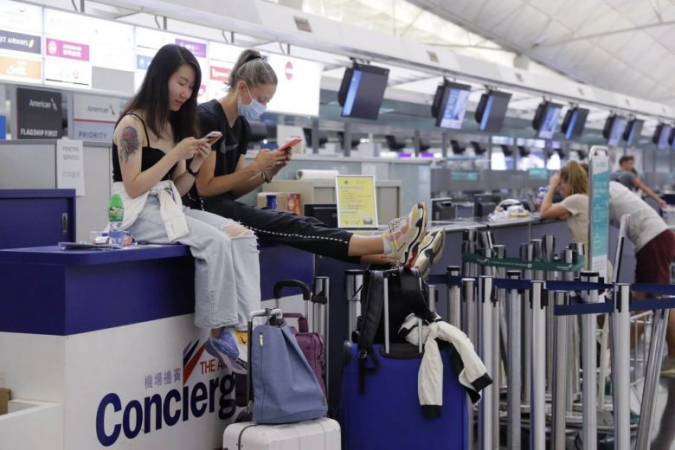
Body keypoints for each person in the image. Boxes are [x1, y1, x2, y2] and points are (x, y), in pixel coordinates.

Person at [188, 48, 443, 277]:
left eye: (267, 100)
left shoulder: (241, 125)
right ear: (241, 87)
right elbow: (206, 189)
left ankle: (392, 257)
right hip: (203, 209)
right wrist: (256, 167)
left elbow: (234, 189)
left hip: (223, 204)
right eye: (262, 99)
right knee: (293, 225)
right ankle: (388, 243)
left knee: (306, 224)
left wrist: (269, 171)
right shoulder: (209, 118)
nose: (263, 106)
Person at [111, 44, 258, 374]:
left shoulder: (174, 126)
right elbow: (134, 185)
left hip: (168, 205)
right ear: (161, 77)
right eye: (181, 82)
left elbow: (179, 188)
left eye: (191, 87)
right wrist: (175, 155)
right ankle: (219, 331)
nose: (185, 92)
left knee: (243, 237)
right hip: (133, 213)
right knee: (216, 242)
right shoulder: (131, 126)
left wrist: (193, 165)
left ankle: (246, 331)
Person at [607, 180, 675, 375]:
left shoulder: (602, 192)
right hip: (654, 240)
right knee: (643, 302)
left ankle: (673, 358)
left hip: (652, 242)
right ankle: (617, 359)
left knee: (658, 301)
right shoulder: (613, 187)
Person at [539, 161, 589, 261]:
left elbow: (544, 213)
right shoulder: (584, 197)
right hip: (592, 257)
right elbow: (560, 212)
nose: (558, 189)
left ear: (568, 183)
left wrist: (552, 186)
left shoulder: (576, 199)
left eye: (559, 184)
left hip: (586, 259)